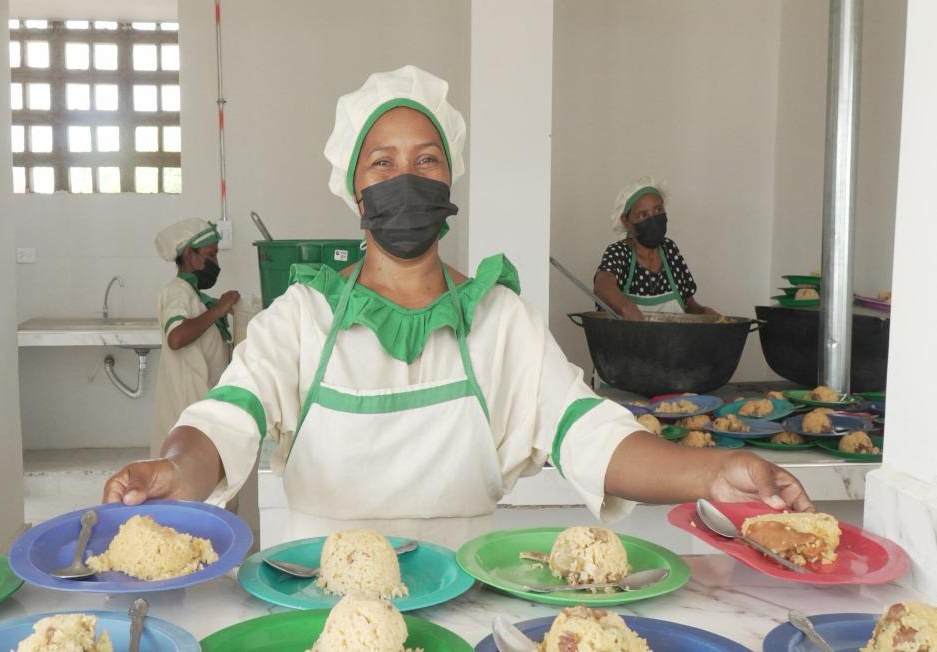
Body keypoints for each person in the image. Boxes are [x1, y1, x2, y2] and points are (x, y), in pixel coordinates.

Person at [105, 66, 811, 546]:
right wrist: (174, 467)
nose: (403, 180)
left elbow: (591, 434)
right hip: (324, 603)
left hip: (466, 600)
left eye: (426, 161)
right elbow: (225, 421)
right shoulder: (303, 316)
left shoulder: (498, 321)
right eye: (381, 164)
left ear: (450, 181)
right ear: (355, 190)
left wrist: (715, 471)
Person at [150, 219, 239, 456]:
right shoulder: (177, 291)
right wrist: (218, 310)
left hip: (200, 408)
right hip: (188, 410)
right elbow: (176, 337)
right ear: (190, 255)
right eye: (211, 255)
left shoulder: (194, 296)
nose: (216, 263)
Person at [594, 177, 718, 320]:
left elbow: (688, 303)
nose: (653, 219)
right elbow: (602, 285)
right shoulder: (619, 252)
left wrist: (704, 313)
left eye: (658, 210)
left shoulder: (670, 250)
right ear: (626, 221)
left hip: (673, 341)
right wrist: (626, 308)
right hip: (626, 342)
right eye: (643, 215)